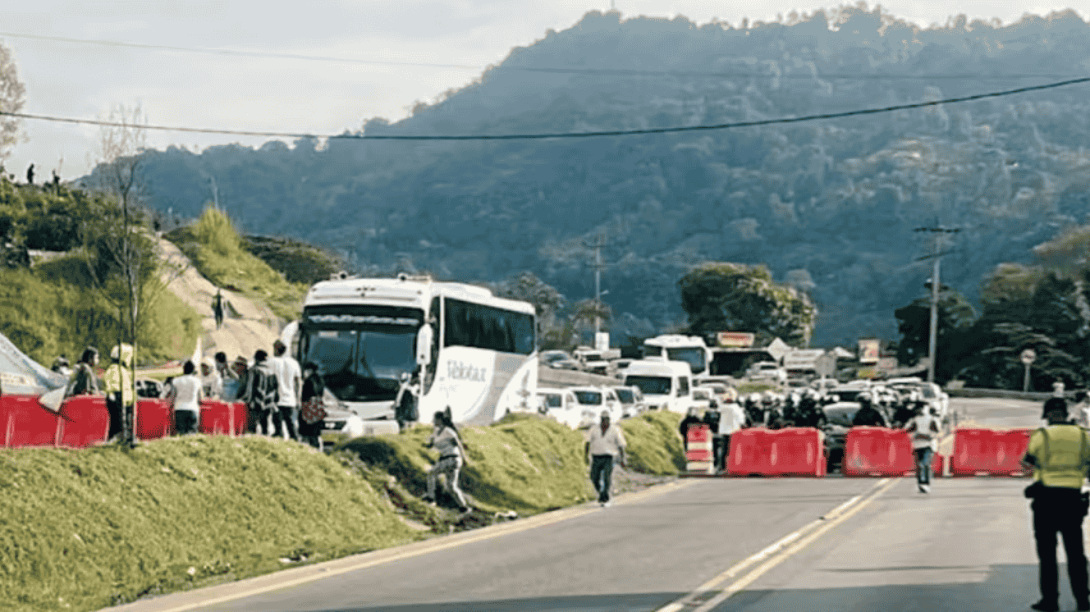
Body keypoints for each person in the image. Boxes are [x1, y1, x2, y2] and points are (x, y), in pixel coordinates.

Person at [1022, 397, 1090, 612]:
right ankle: (1083, 600)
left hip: (1045, 501)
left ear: (1048, 415)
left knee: (1047, 555)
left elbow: (1027, 464)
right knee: (1076, 554)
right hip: (1072, 500)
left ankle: (1050, 601)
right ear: (1066, 414)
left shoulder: (1042, 436)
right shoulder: (1083, 436)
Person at [424, 409, 470, 512]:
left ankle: (431, 498)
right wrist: (427, 445)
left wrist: (465, 458)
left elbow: (458, 444)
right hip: (450, 460)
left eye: (434, 419)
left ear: (440, 420)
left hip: (451, 458)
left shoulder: (448, 431)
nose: (433, 421)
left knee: (431, 473)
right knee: (451, 486)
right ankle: (463, 507)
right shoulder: (436, 432)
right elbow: (430, 444)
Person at [585, 409, 627, 507]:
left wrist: (622, 458)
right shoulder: (594, 429)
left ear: (609, 419)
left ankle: (605, 497)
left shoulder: (615, 429)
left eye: (606, 419)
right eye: (602, 419)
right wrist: (586, 455)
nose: (604, 421)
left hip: (609, 456)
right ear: (600, 419)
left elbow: (621, 445)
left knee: (606, 477)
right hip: (596, 456)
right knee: (594, 477)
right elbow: (587, 442)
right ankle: (601, 493)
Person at [904, 403, 941, 493]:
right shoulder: (914, 420)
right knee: (919, 466)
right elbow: (908, 429)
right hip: (917, 445)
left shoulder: (931, 419)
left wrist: (928, 436)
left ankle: (926, 483)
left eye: (920, 409)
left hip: (928, 445)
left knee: (925, 464)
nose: (918, 411)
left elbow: (937, 431)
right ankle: (920, 484)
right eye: (917, 409)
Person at [269, 340, 302, 441]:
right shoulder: (294, 363)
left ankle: (280, 445)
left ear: (276, 349)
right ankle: (296, 445)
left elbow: (270, 380)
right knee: (291, 426)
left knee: (278, 428)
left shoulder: (272, 362)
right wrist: (298, 398)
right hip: (290, 400)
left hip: (277, 401)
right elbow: (298, 382)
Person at [103, 344, 134, 444]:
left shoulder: (119, 369)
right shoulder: (116, 370)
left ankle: (121, 439)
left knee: (119, 423)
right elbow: (115, 386)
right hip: (117, 398)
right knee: (117, 423)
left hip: (120, 399)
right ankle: (116, 440)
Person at [246, 349, 278, 435]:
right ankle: (265, 439)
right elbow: (275, 387)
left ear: (256, 358)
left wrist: (247, 400)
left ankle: (253, 441)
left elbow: (250, 387)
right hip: (268, 401)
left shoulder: (254, 370)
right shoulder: (272, 371)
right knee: (265, 424)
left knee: (252, 425)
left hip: (257, 401)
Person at [299, 362, 326, 450]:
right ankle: (317, 448)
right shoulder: (320, 379)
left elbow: (305, 396)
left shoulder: (308, 381)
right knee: (315, 432)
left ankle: (310, 449)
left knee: (307, 432)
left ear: (309, 370)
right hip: (318, 407)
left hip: (309, 408)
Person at [171, 360, 203, 435]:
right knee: (192, 433)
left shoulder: (176, 381)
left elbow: (172, 397)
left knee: (180, 433)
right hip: (192, 409)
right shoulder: (197, 381)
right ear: (193, 370)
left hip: (179, 409)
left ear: (183, 369)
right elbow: (201, 398)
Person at [718, 397, 747, 473]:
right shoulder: (736, 408)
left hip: (724, 432)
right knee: (734, 450)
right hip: (734, 431)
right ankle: (734, 467)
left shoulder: (722, 408)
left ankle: (723, 467)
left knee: (724, 450)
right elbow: (741, 420)